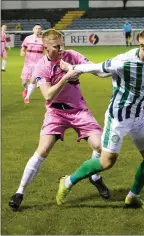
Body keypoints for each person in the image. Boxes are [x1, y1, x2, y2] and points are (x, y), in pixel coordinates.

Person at [55, 28, 144, 209]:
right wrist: (72, 68)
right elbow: (96, 67)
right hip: (118, 118)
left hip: (141, 117)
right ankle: (68, 181)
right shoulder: (123, 62)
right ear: (142, 45)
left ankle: (133, 196)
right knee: (106, 162)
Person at [8, 29, 110, 212]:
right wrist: (66, 77)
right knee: (42, 150)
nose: (61, 48)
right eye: (56, 46)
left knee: (103, 148)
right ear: (46, 48)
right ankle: (20, 192)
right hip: (55, 113)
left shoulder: (72, 56)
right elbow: (48, 95)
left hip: (79, 111)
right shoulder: (41, 67)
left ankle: (94, 177)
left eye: (62, 44)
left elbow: (99, 71)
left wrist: (115, 67)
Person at [20, 24, 44, 104]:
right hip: (28, 63)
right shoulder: (28, 38)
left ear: (41, 30)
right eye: (36, 28)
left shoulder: (43, 40)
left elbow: (47, 51)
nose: (37, 30)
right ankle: (26, 89)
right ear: (33, 29)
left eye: (39, 28)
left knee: (32, 81)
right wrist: (22, 52)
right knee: (24, 82)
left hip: (38, 63)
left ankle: (27, 97)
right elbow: (23, 48)